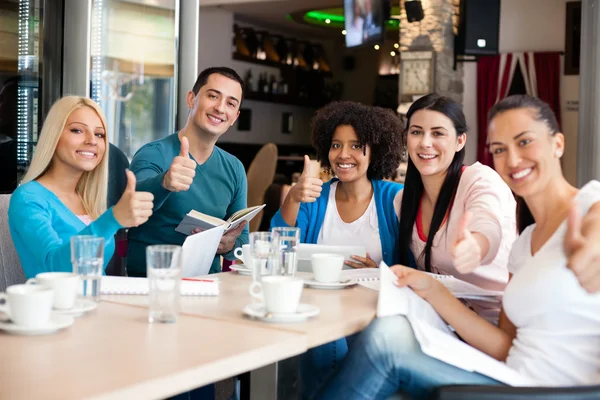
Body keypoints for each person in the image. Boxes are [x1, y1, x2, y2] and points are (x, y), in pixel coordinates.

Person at [315, 95, 600, 400]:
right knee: (385, 332)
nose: (513, 160)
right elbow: (505, 346)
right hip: (508, 375)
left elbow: (486, 223)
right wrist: (433, 290)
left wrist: (476, 246)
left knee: (385, 341)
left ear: (558, 144)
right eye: (500, 149)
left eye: (525, 141)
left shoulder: (590, 208)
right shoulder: (525, 244)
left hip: (556, 393)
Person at [270, 101, 405, 398]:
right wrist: (292, 198)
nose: (343, 155)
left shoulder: (393, 199)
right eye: (336, 145)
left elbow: (413, 267)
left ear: (376, 150)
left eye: (356, 145)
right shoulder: (315, 197)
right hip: (319, 313)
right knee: (324, 344)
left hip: (373, 317)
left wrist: (378, 272)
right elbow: (277, 250)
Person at [396, 93, 517, 323]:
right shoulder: (403, 201)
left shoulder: (479, 180)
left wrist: (478, 246)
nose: (425, 142)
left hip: (501, 323)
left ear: (460, 141)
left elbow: (487, 221)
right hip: (449, 324)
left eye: (438, 133)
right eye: (416, 132)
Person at [8, 96, 153, 279]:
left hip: (97, 302)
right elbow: (54, 266)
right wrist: (112, 219)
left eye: (99, 134)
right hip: (57, 306)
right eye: (77, 130)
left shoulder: (88, 199)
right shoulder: (28, 198)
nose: (92, 141)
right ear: (54, 136)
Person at [127, 67, 248, 277]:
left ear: (234, 117)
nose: (220, 108)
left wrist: (229, 245)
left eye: (230, 103)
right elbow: (132, 204)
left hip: (206, 283)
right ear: (191, 99)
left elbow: (242, 239)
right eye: (213, 96)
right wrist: (164, 182)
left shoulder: (235, 168)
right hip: (150, 284)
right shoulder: (153, 154)